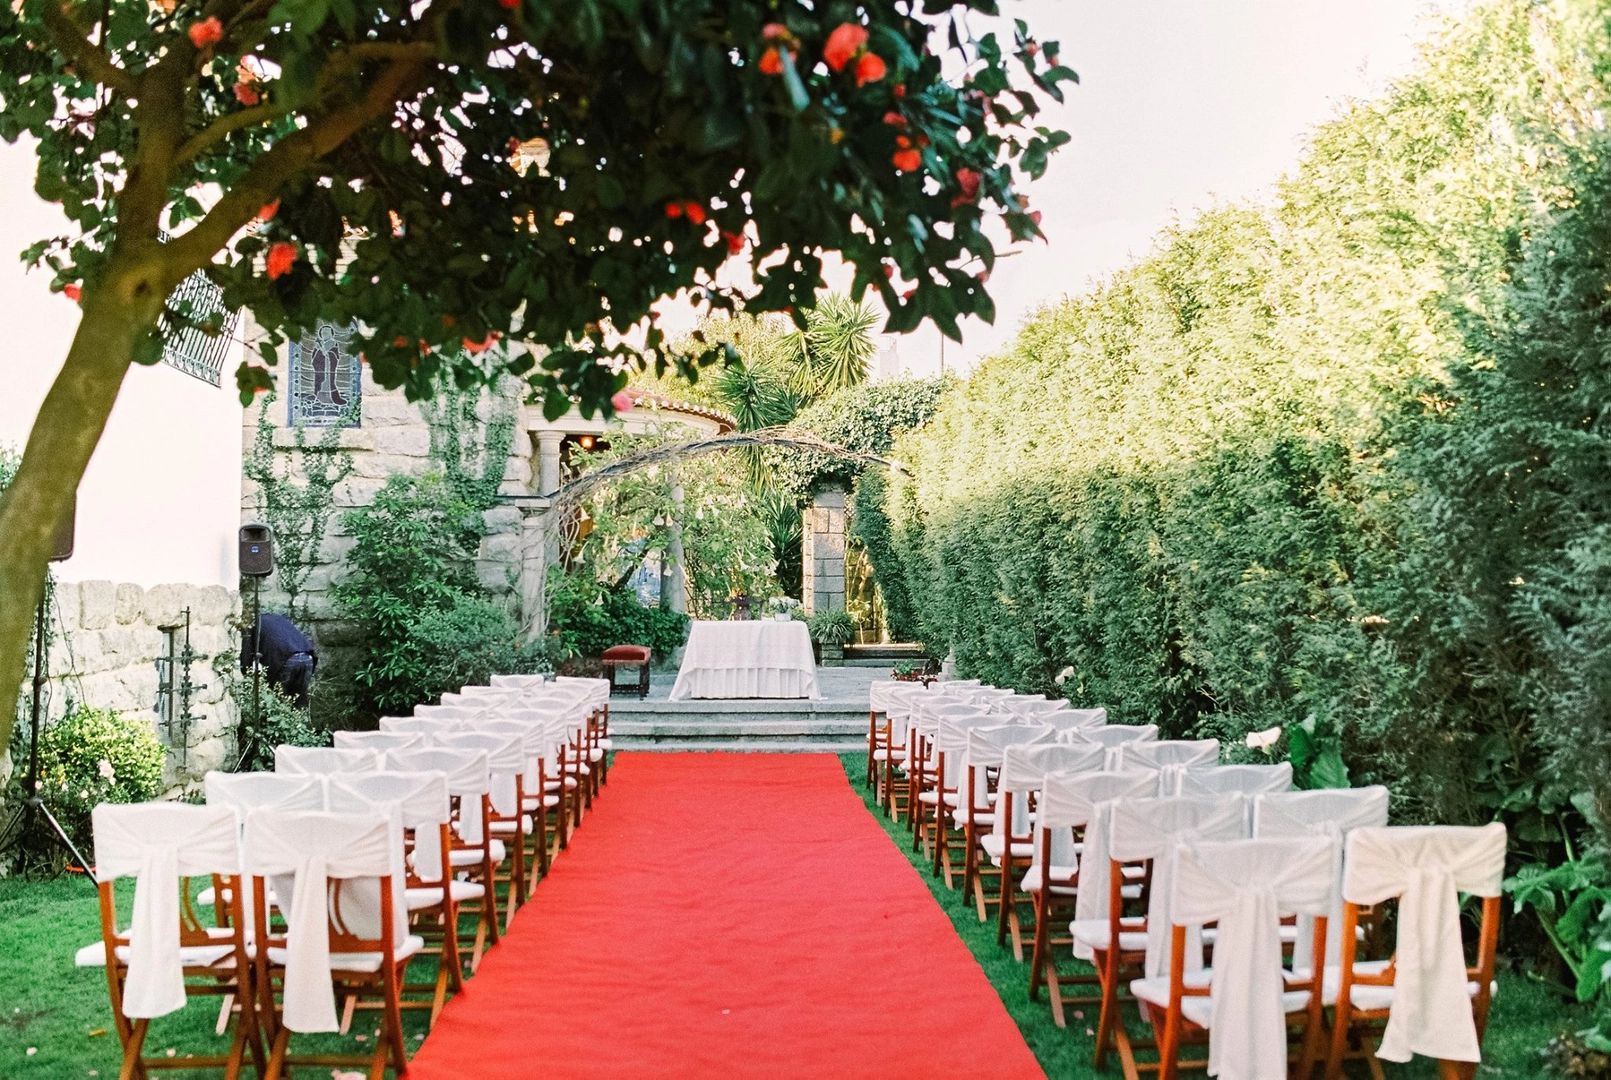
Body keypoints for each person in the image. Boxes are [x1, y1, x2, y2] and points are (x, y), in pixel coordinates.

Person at [241, 612, 317, 707]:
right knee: (300, 700)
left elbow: (246, 657)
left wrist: (245, 676)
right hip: (307, 656)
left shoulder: (252, 626)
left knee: (279, 700)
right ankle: (299, 720)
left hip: (286, 658)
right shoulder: (276, 618)